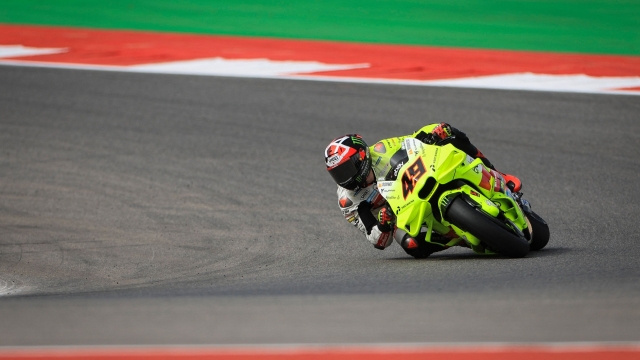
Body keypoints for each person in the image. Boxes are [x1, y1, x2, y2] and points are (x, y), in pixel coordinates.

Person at [324, 123, 522, 258]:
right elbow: (377, 240)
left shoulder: (382, 150)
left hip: (420, 180)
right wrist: (384, 224)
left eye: (346, 169)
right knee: (412, 245)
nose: (345, 178)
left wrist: (433, 135)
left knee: (448, 131)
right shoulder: (348, 201)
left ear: (361, 156)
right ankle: (462, 237)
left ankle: (497, 174)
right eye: (338, 174)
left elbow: (412, 141)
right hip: (403, 215)